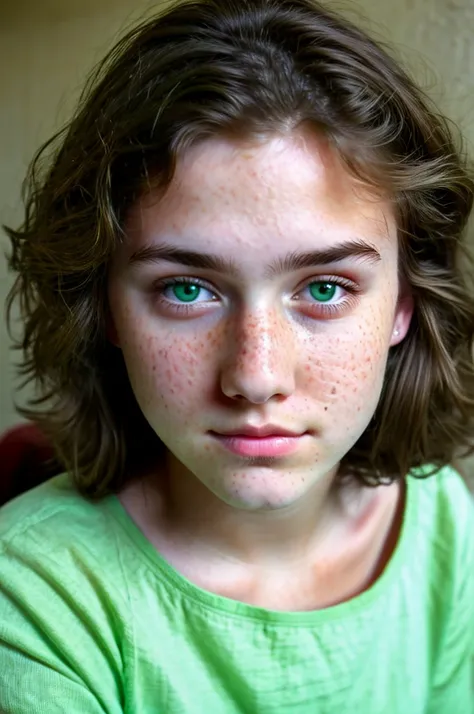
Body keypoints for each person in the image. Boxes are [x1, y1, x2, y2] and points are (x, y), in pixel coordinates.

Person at [1, 0, 473, 711]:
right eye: (187, 289)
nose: (256, 376)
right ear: (106, 309)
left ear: (404, 303)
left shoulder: (440, 519)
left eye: (323, 287)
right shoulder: (34, 593)